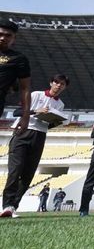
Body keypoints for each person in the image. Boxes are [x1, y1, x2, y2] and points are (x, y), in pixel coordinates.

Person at [1, 74, 70, 218]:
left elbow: (48, 125)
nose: (58, 85)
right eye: (56, 82)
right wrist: (36, 111)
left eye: (62, 84)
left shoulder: (60, 105)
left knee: (28, 175)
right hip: (23, 131)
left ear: (64, 87)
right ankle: (6, 205)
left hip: (39, 136)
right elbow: (17, 112)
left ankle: (13, 207)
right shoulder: (35, 95)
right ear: (51, 82)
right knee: (15, 171)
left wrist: (56, 122)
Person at [0, 19, 31, 132]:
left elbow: (25, 88)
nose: (3, 38)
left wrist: (25, 116)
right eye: (0, 34)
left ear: (14, 39)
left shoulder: (18, 59)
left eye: (8, 35)